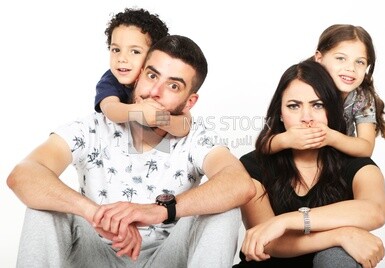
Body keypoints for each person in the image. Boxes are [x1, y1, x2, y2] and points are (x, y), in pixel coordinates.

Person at [7, 35, 256, 268]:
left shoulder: (195, 138)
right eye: (151, 76)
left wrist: (158, 210)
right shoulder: (92, 128)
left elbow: (240, 184)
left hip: (166, 258)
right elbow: (23, 175)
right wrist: (95, 213)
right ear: (138, 76)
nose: (154, 92)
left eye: (173, 86)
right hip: (95, 254)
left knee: (224, 207)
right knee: (44, 205)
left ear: (189, 102)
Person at [233, 60, 385, 268]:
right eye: (294, 106)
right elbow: (267, 243)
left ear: (332, 112)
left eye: (317, 105)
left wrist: (285, 221)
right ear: (280, 113)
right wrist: (341, 234)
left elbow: (374, 211)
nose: (306, 118)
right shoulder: (253, 164)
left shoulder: (357, 164)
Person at [264, 24, 385, 157]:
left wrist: (331, 137)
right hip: (300, 157)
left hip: (339, 161)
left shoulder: (361, 97)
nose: (351, 68)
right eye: (340, 58)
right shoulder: (303, 83)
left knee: (369, 171)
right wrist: (286, 139)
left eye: (360, 62)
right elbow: (264, 144)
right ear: (319, 58)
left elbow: (366, 148)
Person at [95, 7, 191, 137]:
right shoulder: (110, 80)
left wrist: (159, 119)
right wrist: (137, 112)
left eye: (135, 51)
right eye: (116, 50)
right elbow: (110, 109)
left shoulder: (162, 82)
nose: (121, 59)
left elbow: (185, 124)